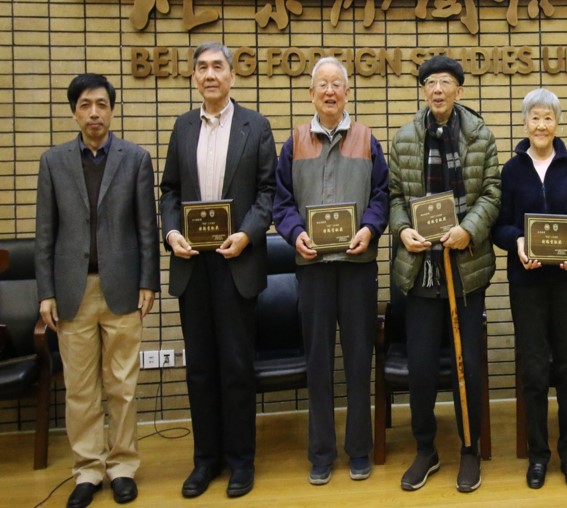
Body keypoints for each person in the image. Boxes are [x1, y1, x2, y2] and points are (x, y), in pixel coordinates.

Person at [35, 73, 159, 508]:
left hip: (123, 289)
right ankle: (88, 470)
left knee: (122, 386)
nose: (94, 113)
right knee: (81, 389)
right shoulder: (53, 162)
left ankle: (122, 466)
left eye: (101, 104)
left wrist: (148, 282)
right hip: (73, 291)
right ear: (74, 111)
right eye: (85, 105)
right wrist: (46, 291)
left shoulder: (136, 158)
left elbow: (147, 227)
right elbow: (45, 233)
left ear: (111, 110)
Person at [159, 42, 276, 499]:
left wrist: (246, 234)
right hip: (192, 264)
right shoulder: (183, 127)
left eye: (217, 67)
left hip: (236, 262)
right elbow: (169, 191)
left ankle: (242, 461)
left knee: (236, 366)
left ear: (231, 75)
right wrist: (172, 233)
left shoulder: (256, 126)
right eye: (202, 68)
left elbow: (266, 193)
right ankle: (206, 460)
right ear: (194, 77)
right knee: (201, 368)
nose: (210, 74)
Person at [272, 57, 389, 485]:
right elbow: (281, 202)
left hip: (358, 266)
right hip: (313, 268)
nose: (329, 91)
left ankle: (359, 450)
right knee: (318, 363)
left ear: (347, 92)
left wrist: (369, 228)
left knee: (359, 361)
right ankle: (321, 453)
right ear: (311, 93)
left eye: (336, 84)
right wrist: (295, 233)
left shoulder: (367, 139)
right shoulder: (294, 142)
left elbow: (382, 195)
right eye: (322, 84)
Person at [387, 55, 500, 493]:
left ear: (459, 90)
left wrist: (468, 229)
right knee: (419, 367)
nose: (437, 89)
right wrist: (403, 230)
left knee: (466, 364)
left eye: (445, 82)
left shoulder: (480, 136)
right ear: (423, 90)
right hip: (420, 271)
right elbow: (395, 196)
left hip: (465, 269)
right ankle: (425, 449)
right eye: (430, 82)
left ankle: (470, 449)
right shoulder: (404, 138)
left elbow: (491, 193)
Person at [492, 88, 567, 490]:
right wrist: (518, 240)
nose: (541, 125)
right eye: (535, 118)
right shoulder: (512, 170)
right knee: (534, 370)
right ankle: (538, 455)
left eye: (548, 118)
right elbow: (499, 226)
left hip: (566, 280)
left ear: (558, 123)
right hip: (527, 283)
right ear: (524, 123)